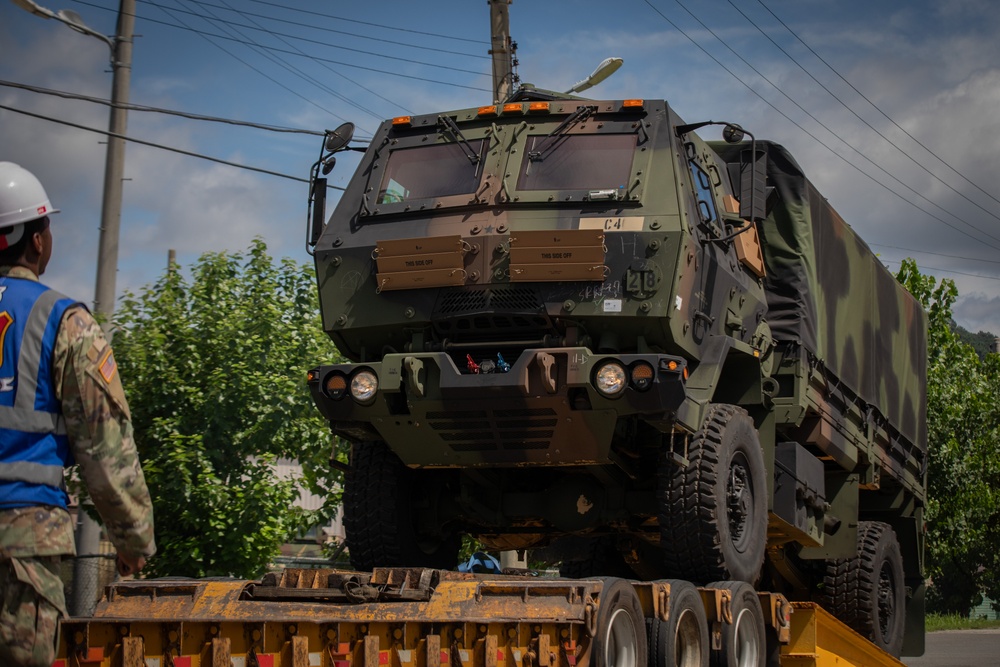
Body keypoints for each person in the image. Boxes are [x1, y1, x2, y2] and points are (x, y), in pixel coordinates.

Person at [0, 162, 155, 667]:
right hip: (20, 546)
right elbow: (105, 448)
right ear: (39, 239)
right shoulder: (62, 321)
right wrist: (132, 540)